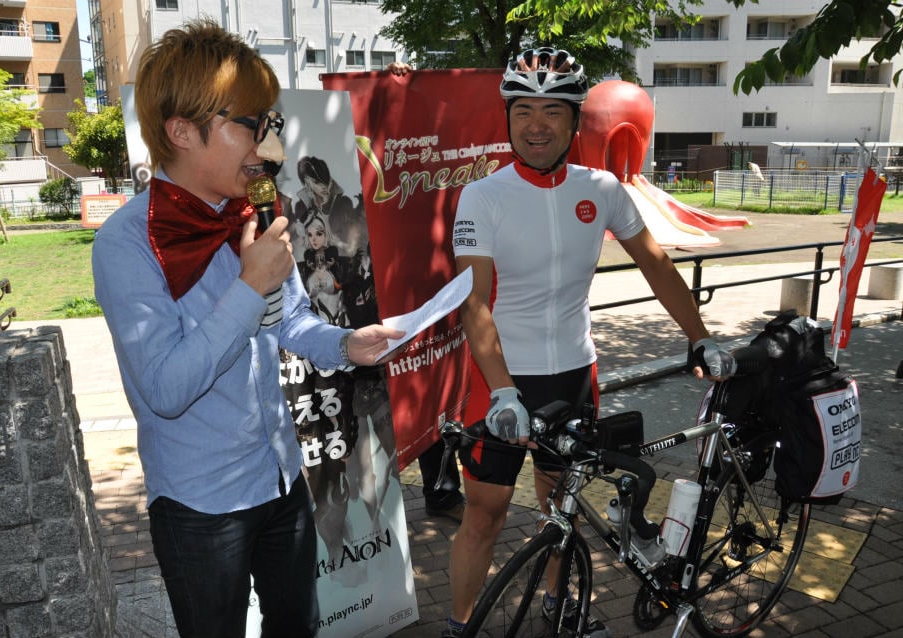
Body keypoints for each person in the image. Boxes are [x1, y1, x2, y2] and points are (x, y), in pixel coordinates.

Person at [91, 19, 404, 638]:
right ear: (181, 130)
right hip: (200, 504)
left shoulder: (257, 214)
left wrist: (344, 343)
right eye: (251, 126)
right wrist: (247, 285)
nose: (268, 148)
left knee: (299, 626)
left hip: (282, 474)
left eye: (270, 125)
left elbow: (288, 320)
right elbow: (164, 388)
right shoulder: (125, 241)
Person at [443, 47, 737, 638]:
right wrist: (502, 391)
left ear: (575, 119)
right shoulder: (483, 196)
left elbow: (656, 265)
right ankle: (459, 626)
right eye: (523, 110)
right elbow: (474, 304)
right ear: (507, 118)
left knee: (562, 508)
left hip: (575, 375)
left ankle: (560, 606)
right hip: (500, 381)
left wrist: (701, 339)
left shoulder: (602, 189)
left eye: (553, 111)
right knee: (485, 514)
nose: (536, 125)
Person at [384, 59, 467, 524]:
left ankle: (441, 490)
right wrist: (391, 91)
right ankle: (375, 509)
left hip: (429, 294)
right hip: (382, 294)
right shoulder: (370, 158)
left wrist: (415, 92)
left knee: (429, 394)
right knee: (389, 400)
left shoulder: (440, 164)